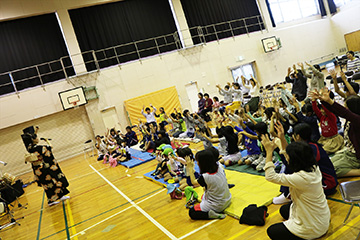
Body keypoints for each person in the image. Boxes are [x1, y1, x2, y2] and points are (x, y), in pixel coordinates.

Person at [262, 135, 330, 240]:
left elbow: (270, 176)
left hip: (314, 228)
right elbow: (290, 160)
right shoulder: (313, 167)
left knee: (272, 231)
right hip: (322, 218)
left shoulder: (301, 178)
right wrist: (281, 144)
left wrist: (269, 151)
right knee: (284, 209)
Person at [311, 88, 360, 177]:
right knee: (325, 165)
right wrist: (322, 101)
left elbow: (343, 112)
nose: (345, 108)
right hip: (348, 152)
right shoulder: (351, 120)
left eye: (346, 107)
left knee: (330, 171)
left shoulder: (357, 120)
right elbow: (337, 110)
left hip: (356, 157)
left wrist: (329, 100)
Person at [22, 126, 70, 207]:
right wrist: (47, 141)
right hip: (44, 169)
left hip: (39, 170)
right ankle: (51, 201)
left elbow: (35, 144)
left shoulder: (30, 148)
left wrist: (36, 133)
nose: (37, 138)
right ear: (33, 139)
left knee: (50, 184)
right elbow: (50, 148)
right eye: (36, 137)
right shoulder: (40, 148)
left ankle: (60, 196)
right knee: (51, 183)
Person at [186, 148, 231, 220]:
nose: (197, 163)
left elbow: (193, 182)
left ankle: (211, 214)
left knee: (192, 212)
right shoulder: (219, 166)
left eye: (198, 161)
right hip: (227, 199)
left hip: (218, 206)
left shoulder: (205, 177)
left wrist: (190, 167)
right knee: (203, 195)